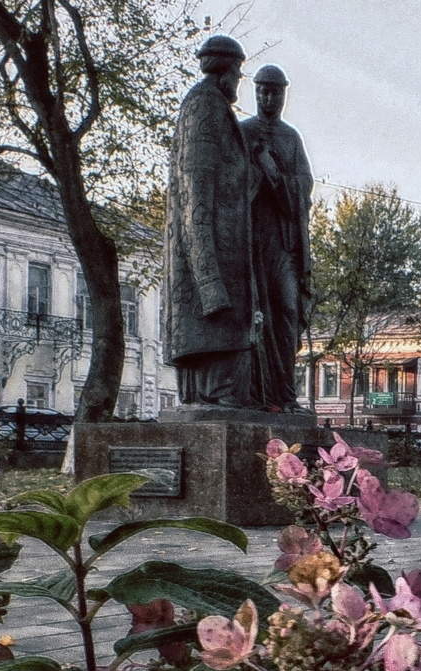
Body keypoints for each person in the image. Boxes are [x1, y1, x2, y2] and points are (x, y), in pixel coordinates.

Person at [162, 34, 259, 407]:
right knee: (218, 335)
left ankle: (218, 394)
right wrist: (210, 282)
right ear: (225, 71)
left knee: (228, 336)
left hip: (226, 243)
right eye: (237, 73)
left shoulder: (213, 105)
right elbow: (196, 188)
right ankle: (213, 393)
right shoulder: (204, 106)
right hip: (213, 247)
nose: (237, 82)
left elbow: (231, 181)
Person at [240, 64, 313, 413]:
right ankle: (252, 390)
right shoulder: (243, 132)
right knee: (253, 314)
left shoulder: (290, 137)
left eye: (274, 91)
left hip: (283, 242)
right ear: (254, 93)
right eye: (262, 91)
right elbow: (231, 184)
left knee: (286, 309)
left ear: (283, 94)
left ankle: (284, 392)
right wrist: (257, 170)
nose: (268, 97)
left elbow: (304, 187)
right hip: (251, 242)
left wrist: (276, 174)